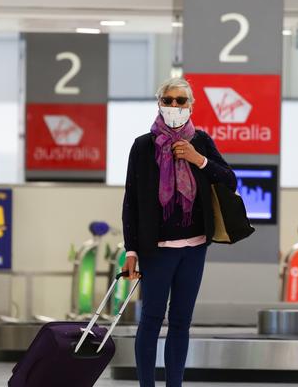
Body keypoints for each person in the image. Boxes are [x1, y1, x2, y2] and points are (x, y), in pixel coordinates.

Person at [121, 77, 237, 387]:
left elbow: (229, 180)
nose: (174, 106)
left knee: (181, 322)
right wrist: (130, 250)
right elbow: (131, 201)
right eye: (168, 100)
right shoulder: (143, 146)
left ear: (190, 106)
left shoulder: (201, 141)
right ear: (159, 103)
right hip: (156, 249)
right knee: (151, 320)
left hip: (195, 247)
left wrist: (197, 159)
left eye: (180, 101)